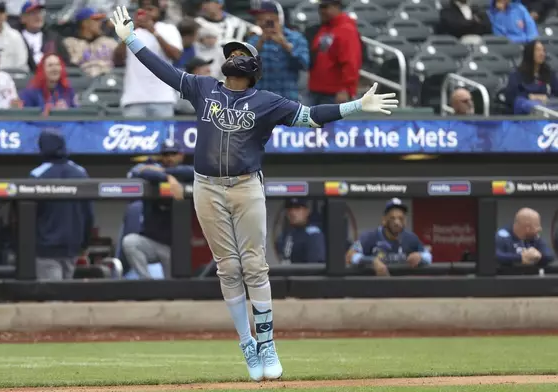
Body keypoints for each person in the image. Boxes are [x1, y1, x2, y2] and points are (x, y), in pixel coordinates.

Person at [110, 5, 397, 381]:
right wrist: (131, 39)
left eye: (241, 54)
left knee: (255, 266)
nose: (233, 57)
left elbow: (311, 116)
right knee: (228, 269)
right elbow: (164, 71)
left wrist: (357, 105)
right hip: (207, 186)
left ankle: (267, 343)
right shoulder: (203, 87)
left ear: (253, 68)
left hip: (246, 186)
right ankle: (246, 341)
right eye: (230, 53)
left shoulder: (267, 101)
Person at [124, 139, 194, 279]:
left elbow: (194, 171)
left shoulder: (187, 174)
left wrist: (165, 172)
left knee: (175, 291)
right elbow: (137, 172)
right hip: (153, 243)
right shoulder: (153, 174)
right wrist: (167, 177)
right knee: (130, 241)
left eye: (173, 154)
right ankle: (147, 284)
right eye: (166, 154)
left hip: (178, 246)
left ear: (181, 155)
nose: (169, 158)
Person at [30, 130, 95, 280]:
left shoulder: (38, 175)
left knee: (54, 297)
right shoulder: (81, 173)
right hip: (73, 245)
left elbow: (30, 216)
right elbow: (89, 214)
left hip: (46, 248)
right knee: (66, 295)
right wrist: (85, 243)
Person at [121, 0, 182, 118]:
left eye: (150, 9)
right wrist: (128, 34)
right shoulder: (130, 30)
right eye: (144, 9)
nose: (147, 13)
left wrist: (153, 32)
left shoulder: (168, 29)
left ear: (159, 11)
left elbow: (176, 55)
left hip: (163, 98)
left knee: (163, 136)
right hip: (134, 98)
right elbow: (117, 60)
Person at [345, 199, 432, 276]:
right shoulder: (370, 237)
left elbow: (428, 256)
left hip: (402, 287)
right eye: (392, 218)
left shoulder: (411, 238)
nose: (397, 222)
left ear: (405, 221)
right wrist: (372, 261)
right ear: (384, 220)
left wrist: (420, 256)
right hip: (375, 286)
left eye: (400, 218)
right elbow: (350, 256)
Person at [247, 0, 309, 102]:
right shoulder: (254, 40)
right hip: (261, 101)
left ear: (275, 17)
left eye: (262, 17)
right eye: (258, 18)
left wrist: (286, 45)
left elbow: (304, 65)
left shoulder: (295, 38)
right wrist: (259, 45)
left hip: (288, 99)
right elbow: (244, 69)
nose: (259, 22)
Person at [307, 0, 361, 105]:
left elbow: (351, 62)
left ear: (337, 7)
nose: (321, 11)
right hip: (316, 90)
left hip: (334, 93)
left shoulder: (346, 29)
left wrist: (345, 89)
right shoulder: (324, 28)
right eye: (320, 7)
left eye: (325, 7)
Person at [63, 7, 123, 78]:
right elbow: (72, 66)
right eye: (96, 20)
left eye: (100, 20)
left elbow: (121, 59)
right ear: (85, 23)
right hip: (82, 83)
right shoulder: (70, 43)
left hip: (109, 81)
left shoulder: (109, 41)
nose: (100, 23)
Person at [505, 40, 558, 114]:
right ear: (529, 53)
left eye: (543, 50)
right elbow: (511, 97)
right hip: (525, 113)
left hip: (548, 109)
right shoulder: (517, 74)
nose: (542, 53)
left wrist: (547, 97)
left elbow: (556, 93)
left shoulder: (549, 73)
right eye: (538, 50)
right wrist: (530, 96)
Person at [19, 0, 72, 72]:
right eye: (33, 13)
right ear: (23, 18)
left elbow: (65, 61)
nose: (38, 16)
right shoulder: (17, 38)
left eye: (40, 12)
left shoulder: (54, 37)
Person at [274, 198, 325, 264]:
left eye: (297, 208)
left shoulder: (313, 235)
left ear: (307, 211)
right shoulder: (286, 234)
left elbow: (316, 266)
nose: (292, 212)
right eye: (290, 209)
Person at [195, 0, 261, 45]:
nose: (204, 6)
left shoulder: (235, 21)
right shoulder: (197, 22)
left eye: (208, 2)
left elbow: (258, 30)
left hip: (235, 59)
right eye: (203, 3)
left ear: (219, 4)